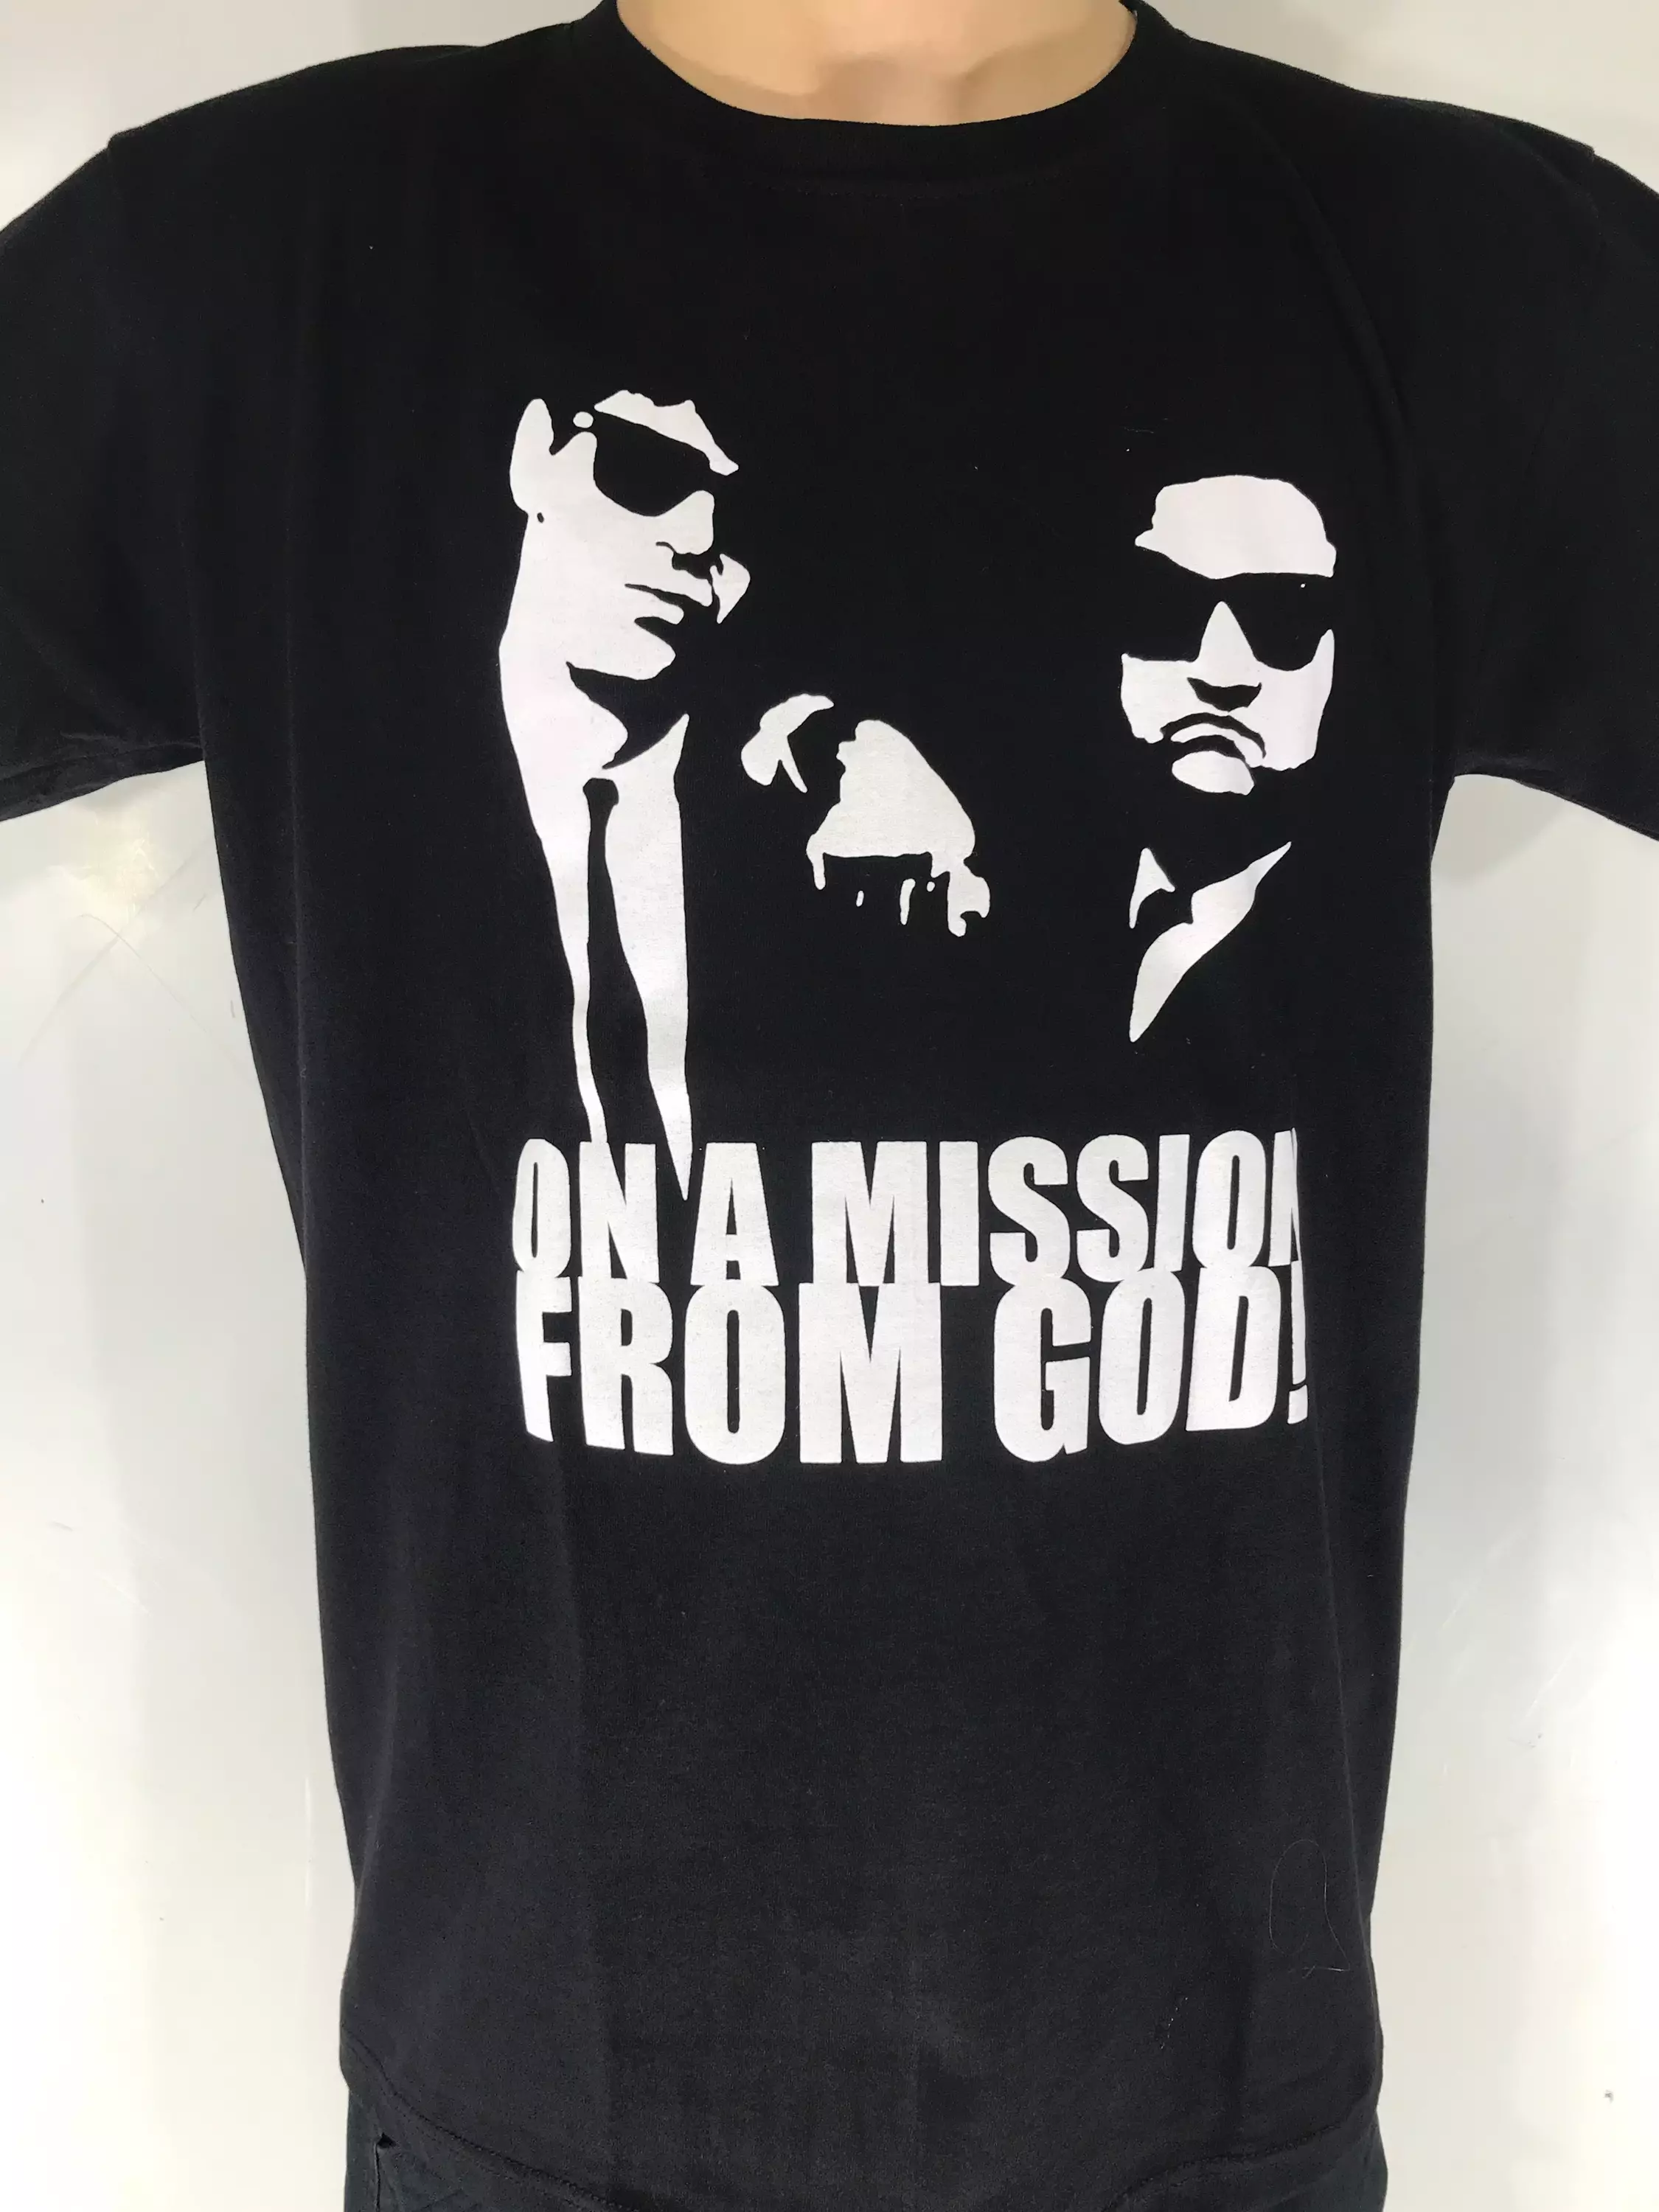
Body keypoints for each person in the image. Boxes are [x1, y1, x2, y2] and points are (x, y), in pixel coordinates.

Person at [2, 2, 1658, 2210]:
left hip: (1204, 2114)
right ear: (539, 471)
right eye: (646, 480)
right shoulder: (261, 273)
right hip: (534, 2112)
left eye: (1281, 624)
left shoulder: (1459, 276)